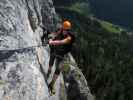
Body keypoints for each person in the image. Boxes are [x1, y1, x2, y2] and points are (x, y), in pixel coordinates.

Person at [47, 20, 75, 94]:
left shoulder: (69, 37)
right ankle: (49, 70)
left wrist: (52, 42)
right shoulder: (60, 30)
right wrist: (50, 38)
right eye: (64, 29)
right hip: (56, 50)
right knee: (51, 60)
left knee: (58, 69)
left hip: (62, 54)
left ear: (69, 30)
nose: (65, 31)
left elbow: (61, 42)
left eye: (67, 30)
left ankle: (52, 84)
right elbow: (54, 35)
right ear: (63, 28)